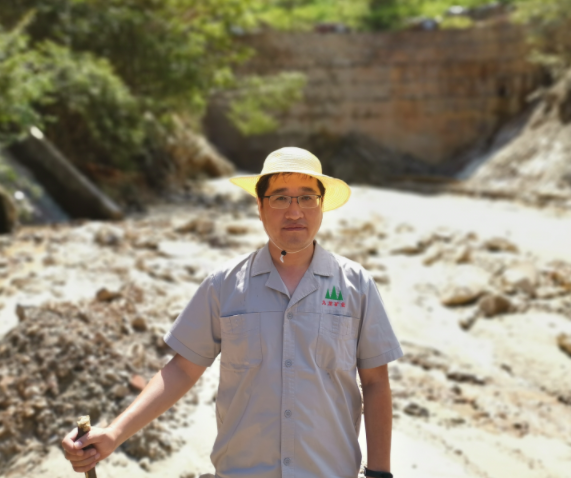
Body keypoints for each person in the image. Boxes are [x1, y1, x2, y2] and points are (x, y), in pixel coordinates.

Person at [62, 147, 403, 478]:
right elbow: (182, 369)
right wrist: (114, 433)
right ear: (260, 207)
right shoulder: (224, 285)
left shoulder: (356, 285)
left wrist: (379, 473)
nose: (294, 212)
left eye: (306, 198)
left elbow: (375, 383)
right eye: (280, 198)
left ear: (321, 205)